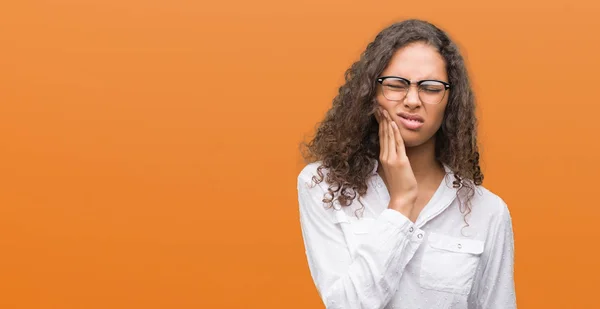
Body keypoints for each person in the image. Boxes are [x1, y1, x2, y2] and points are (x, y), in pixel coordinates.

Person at [297, 19, 516, 309]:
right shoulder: (324, 186)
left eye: (431, 88)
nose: (412, 100)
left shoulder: (488, 212)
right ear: (371, 93)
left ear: (450, 100)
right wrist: (401, 204)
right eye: (396, 85)